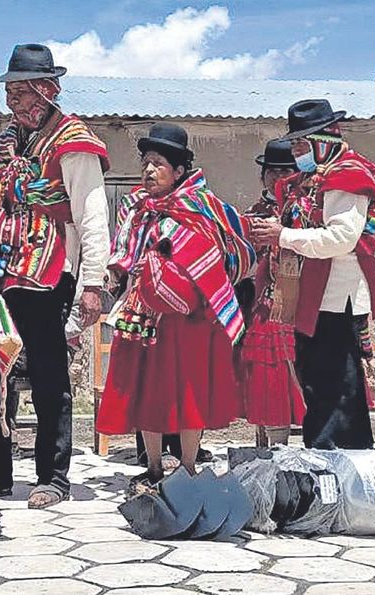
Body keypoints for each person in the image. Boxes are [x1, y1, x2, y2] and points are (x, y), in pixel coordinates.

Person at [0, 43, 111, 509]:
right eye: (9, 93)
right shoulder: (11, 142)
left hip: (51, 270)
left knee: (50, 372)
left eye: (20, 92)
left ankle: (53, 475)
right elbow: (0, 200)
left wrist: (92, 284)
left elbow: (92, 216)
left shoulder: (73, 141)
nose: (13, 102)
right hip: (3, 266)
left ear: (45, 90)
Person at [96, 123, 253, 485]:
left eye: (159, 164)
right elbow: (123, 252)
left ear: (180, 171)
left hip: (192, 316)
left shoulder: (201, 207)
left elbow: (222, 253)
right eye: (146, 163)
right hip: (145, 311)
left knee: (189, 388)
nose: (149, 171)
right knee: (147, 387)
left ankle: (187, 465)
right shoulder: (136, 208)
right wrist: (116, 272)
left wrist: (178, 265)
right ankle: (152, 465)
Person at [250, 99, 375, 450]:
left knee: (337, 390)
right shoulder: (315, 179)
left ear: (322, 141)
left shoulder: (346, 177)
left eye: (301, 144)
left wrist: (281, 235)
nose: (296, 152)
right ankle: (327, 459)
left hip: (335, 297)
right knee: (322, 386)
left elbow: (341, 238)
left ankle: (337, 462)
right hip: (316, 297)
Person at [239, 138, 305, 446]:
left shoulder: (305, 210)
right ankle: (268, 445)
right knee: (267, 375)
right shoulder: (253, 213)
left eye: (284, 171)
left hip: (303, 302)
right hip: (266, 303)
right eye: (271, 171)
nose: (277, 178)